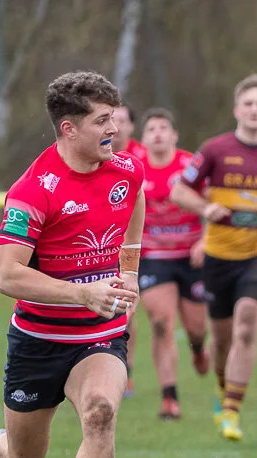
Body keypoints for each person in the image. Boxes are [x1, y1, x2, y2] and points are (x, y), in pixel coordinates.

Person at [0, 71, 146, 458]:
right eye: (102, 121)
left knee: (101, 413)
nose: (114, 130)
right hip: (37, 341)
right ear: (68, 128)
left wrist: (128, 274)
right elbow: (6, 275)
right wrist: (83, 292)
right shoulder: (32, 190)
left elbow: (133, 205)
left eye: (115, 119)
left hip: (97, 338)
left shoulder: (126, 170)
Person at [170, 74, 257, 442]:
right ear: (237, 109)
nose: (254, 110)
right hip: (219, 256)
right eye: (247, 103)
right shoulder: (215, 150)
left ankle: (232, 411)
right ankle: (223, 389)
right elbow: (179, 190)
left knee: (247, 324)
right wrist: (206, 207)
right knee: (221, 339)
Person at [134, 108, 209, 420]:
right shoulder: (136, 169)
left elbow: (211, 205)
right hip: (154, 257)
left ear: (175, 135)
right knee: (161, 322)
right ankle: (169, 397)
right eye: (152, 129)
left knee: (196, 327)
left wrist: (205, 241)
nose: (158, 133)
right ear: (144, 138)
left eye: (164, 127)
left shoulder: (189, 165)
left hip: (191, 255)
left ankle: (197, 348)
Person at [112, 104, 147, 398]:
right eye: (111, 120)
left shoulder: (142, 160)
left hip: (140, 247)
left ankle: (126, 371)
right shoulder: (93, 157)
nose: (117, 126)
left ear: (131, 126)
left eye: (122, 120)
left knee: (129, 311)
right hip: (107, 245)